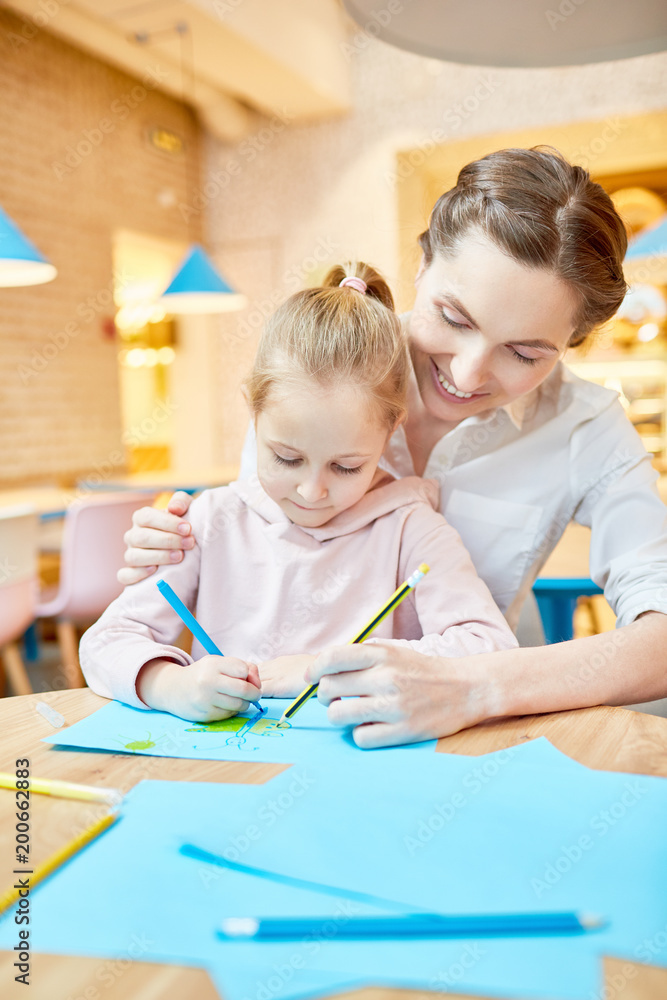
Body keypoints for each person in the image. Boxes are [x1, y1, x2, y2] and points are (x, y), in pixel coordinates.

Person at [120, 147, 667, 746]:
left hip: (449, 744)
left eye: (524, 353)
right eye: (454, 318)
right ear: (423, 262)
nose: (468, 372)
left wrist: (480, 687)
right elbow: (258, 550)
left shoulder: (587, 428)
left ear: (575, 340)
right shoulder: (317, 370)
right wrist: (180, 540)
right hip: (276, 733)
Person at [81, 263, 516, 722]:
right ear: (253, 412)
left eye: (346, 466)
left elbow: (490, 649)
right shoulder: (211, 521)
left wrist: (319, 670)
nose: (312, 491)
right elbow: (106, 641)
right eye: (287, 458)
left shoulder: (413, 528)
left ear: (391, 431)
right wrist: (168, 684)